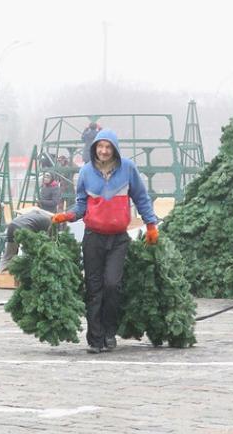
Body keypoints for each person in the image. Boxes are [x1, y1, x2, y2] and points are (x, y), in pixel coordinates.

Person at [53, 129, 159, 354]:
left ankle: (110, 332)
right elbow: (81, 204)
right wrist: (68, 215)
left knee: (112, 284)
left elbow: (141, 197)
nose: (103, 151)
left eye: (108, 147)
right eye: (100, 147)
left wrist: (150, 224)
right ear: (94, 149)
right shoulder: (85, 172)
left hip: (119, 239)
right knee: (94, 288)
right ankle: (95, 339)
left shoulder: (128, 169)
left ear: (115, 149)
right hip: (93, 238)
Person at [0, 207, 53, 273]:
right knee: (31, 255)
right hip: (25, 229)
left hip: (11, 226)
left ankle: (0, 275)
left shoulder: (31, 215)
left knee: (9, 254)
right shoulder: (48, 221)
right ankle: (28, 275)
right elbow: (48, 239)